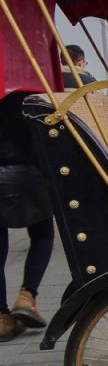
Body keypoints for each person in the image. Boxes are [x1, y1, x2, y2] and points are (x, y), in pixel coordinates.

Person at [0, 91, 54, 341]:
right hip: (30, 173)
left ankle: (2, 318)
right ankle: (27, 295)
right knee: (43, 234)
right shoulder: (29, 94)